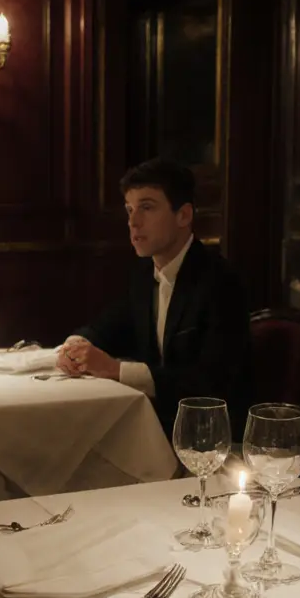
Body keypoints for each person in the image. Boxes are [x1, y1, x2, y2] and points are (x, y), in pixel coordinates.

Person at [57, 158, 252, 436]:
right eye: (129, 210)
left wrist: (116, 369)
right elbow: (106, 328)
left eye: (146, 208)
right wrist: (75, 346)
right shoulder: (142, 273)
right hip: (153, 426)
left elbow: (209, 384)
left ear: (184, 215)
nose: (133, 222)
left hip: (210, 437)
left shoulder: (220, 281)